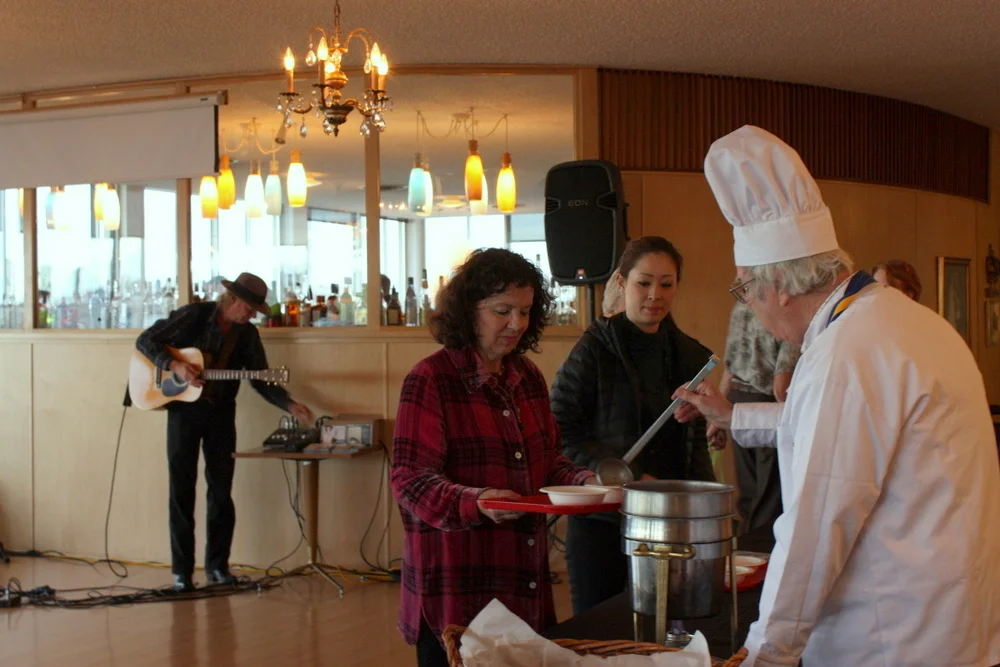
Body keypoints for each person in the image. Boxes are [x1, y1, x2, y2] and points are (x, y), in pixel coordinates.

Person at [673, 125, 1000, 666]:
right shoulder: (900, 321)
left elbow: (816, 525)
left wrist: (766, 653)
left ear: (777, 286)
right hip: (949, 622)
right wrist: (731, 415)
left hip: (889, 638)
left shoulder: (846, 350)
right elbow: (837, 429)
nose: (751, 308)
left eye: (745, 290)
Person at [389, 248, 597, 667]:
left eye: (525, 312)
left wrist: (583, 483)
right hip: (456, 592)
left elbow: (548, 461)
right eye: (503, 311)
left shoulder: (528, 377)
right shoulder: (430, 379)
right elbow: (409, 480)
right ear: (469, 310)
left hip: (523, 583)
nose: (516, 324)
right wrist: (477, 501)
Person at [550, 236, 715, 616]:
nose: (655, 294)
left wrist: (705, 505)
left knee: (667, 633)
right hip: (602, 519)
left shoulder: (690, 354)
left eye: (667, 284)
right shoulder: (593, 348)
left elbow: (694, 445)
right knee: (598, 634)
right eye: (643, 282)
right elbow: (560, 426)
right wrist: (625, 476)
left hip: (668, 521)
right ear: (622, 283)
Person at [134, 272, 313, 592]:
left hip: (220, 414)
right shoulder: (194, 315)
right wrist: (174, 365)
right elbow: (146, 341)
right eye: (248, 307)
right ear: (232, 300)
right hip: (182, 413)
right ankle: (182, 573)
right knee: (181, 491)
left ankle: (218, 567)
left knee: (220, 491)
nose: (250, 315)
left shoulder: (246, 335)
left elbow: (260, 378)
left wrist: (288, 404)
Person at [718, 300, 800, 534]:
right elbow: (781, 386)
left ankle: (745, 554)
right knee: (769, 500)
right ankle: (761, 558)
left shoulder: (741, 305)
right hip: (765, 410)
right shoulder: (787, 312)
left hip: (736, 401)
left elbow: (729, 368)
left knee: (749, 495)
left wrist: (719, 417)